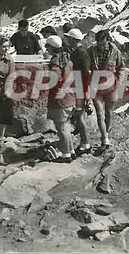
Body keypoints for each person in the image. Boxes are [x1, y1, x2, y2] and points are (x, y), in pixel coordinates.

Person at [87, 29, 124, 153]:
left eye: (103, 44)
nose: (101, 46)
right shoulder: (91, 51)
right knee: (99, 114)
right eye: (98, 44)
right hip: (96, 87)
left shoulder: (116, 52)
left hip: (111, 87)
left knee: (108, 113)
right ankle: (105, 139)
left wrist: (118, 81)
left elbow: (121, 68)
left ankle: (106, 133)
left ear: (108, 40)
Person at [45, 35, 76, 163]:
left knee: (61, 128)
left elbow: (54, 80)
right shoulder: (67, 60)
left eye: (47, 46)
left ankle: (65, 155)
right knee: (66, 127)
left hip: (60, 100)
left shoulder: (55, 64)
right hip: (70, 97)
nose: (46, 48)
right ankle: (71, 151)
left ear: (52, 48)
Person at [65, 28, 92, 155]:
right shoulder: (79, 52)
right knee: (78, 116)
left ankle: (85, 143)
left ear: (72, 39)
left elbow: (87, 73)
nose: (66, 40)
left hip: (81, 88)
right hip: (79, 87)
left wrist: (86, 93)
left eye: (68, 38)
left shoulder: (81, 53)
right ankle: (84, 142)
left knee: (80, 117)